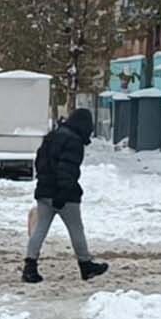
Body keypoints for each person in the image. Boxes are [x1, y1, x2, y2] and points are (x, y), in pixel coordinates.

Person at [22, 108, 109, 284]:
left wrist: (45, 183)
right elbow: (67, 170)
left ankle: (29, 267)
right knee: (76, 229)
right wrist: (63, 193)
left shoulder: (52, 136)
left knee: (40, 230)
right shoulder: (74, 141)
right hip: (65, 195)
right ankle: (86, 265)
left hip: (44, 191)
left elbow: (39, 162)